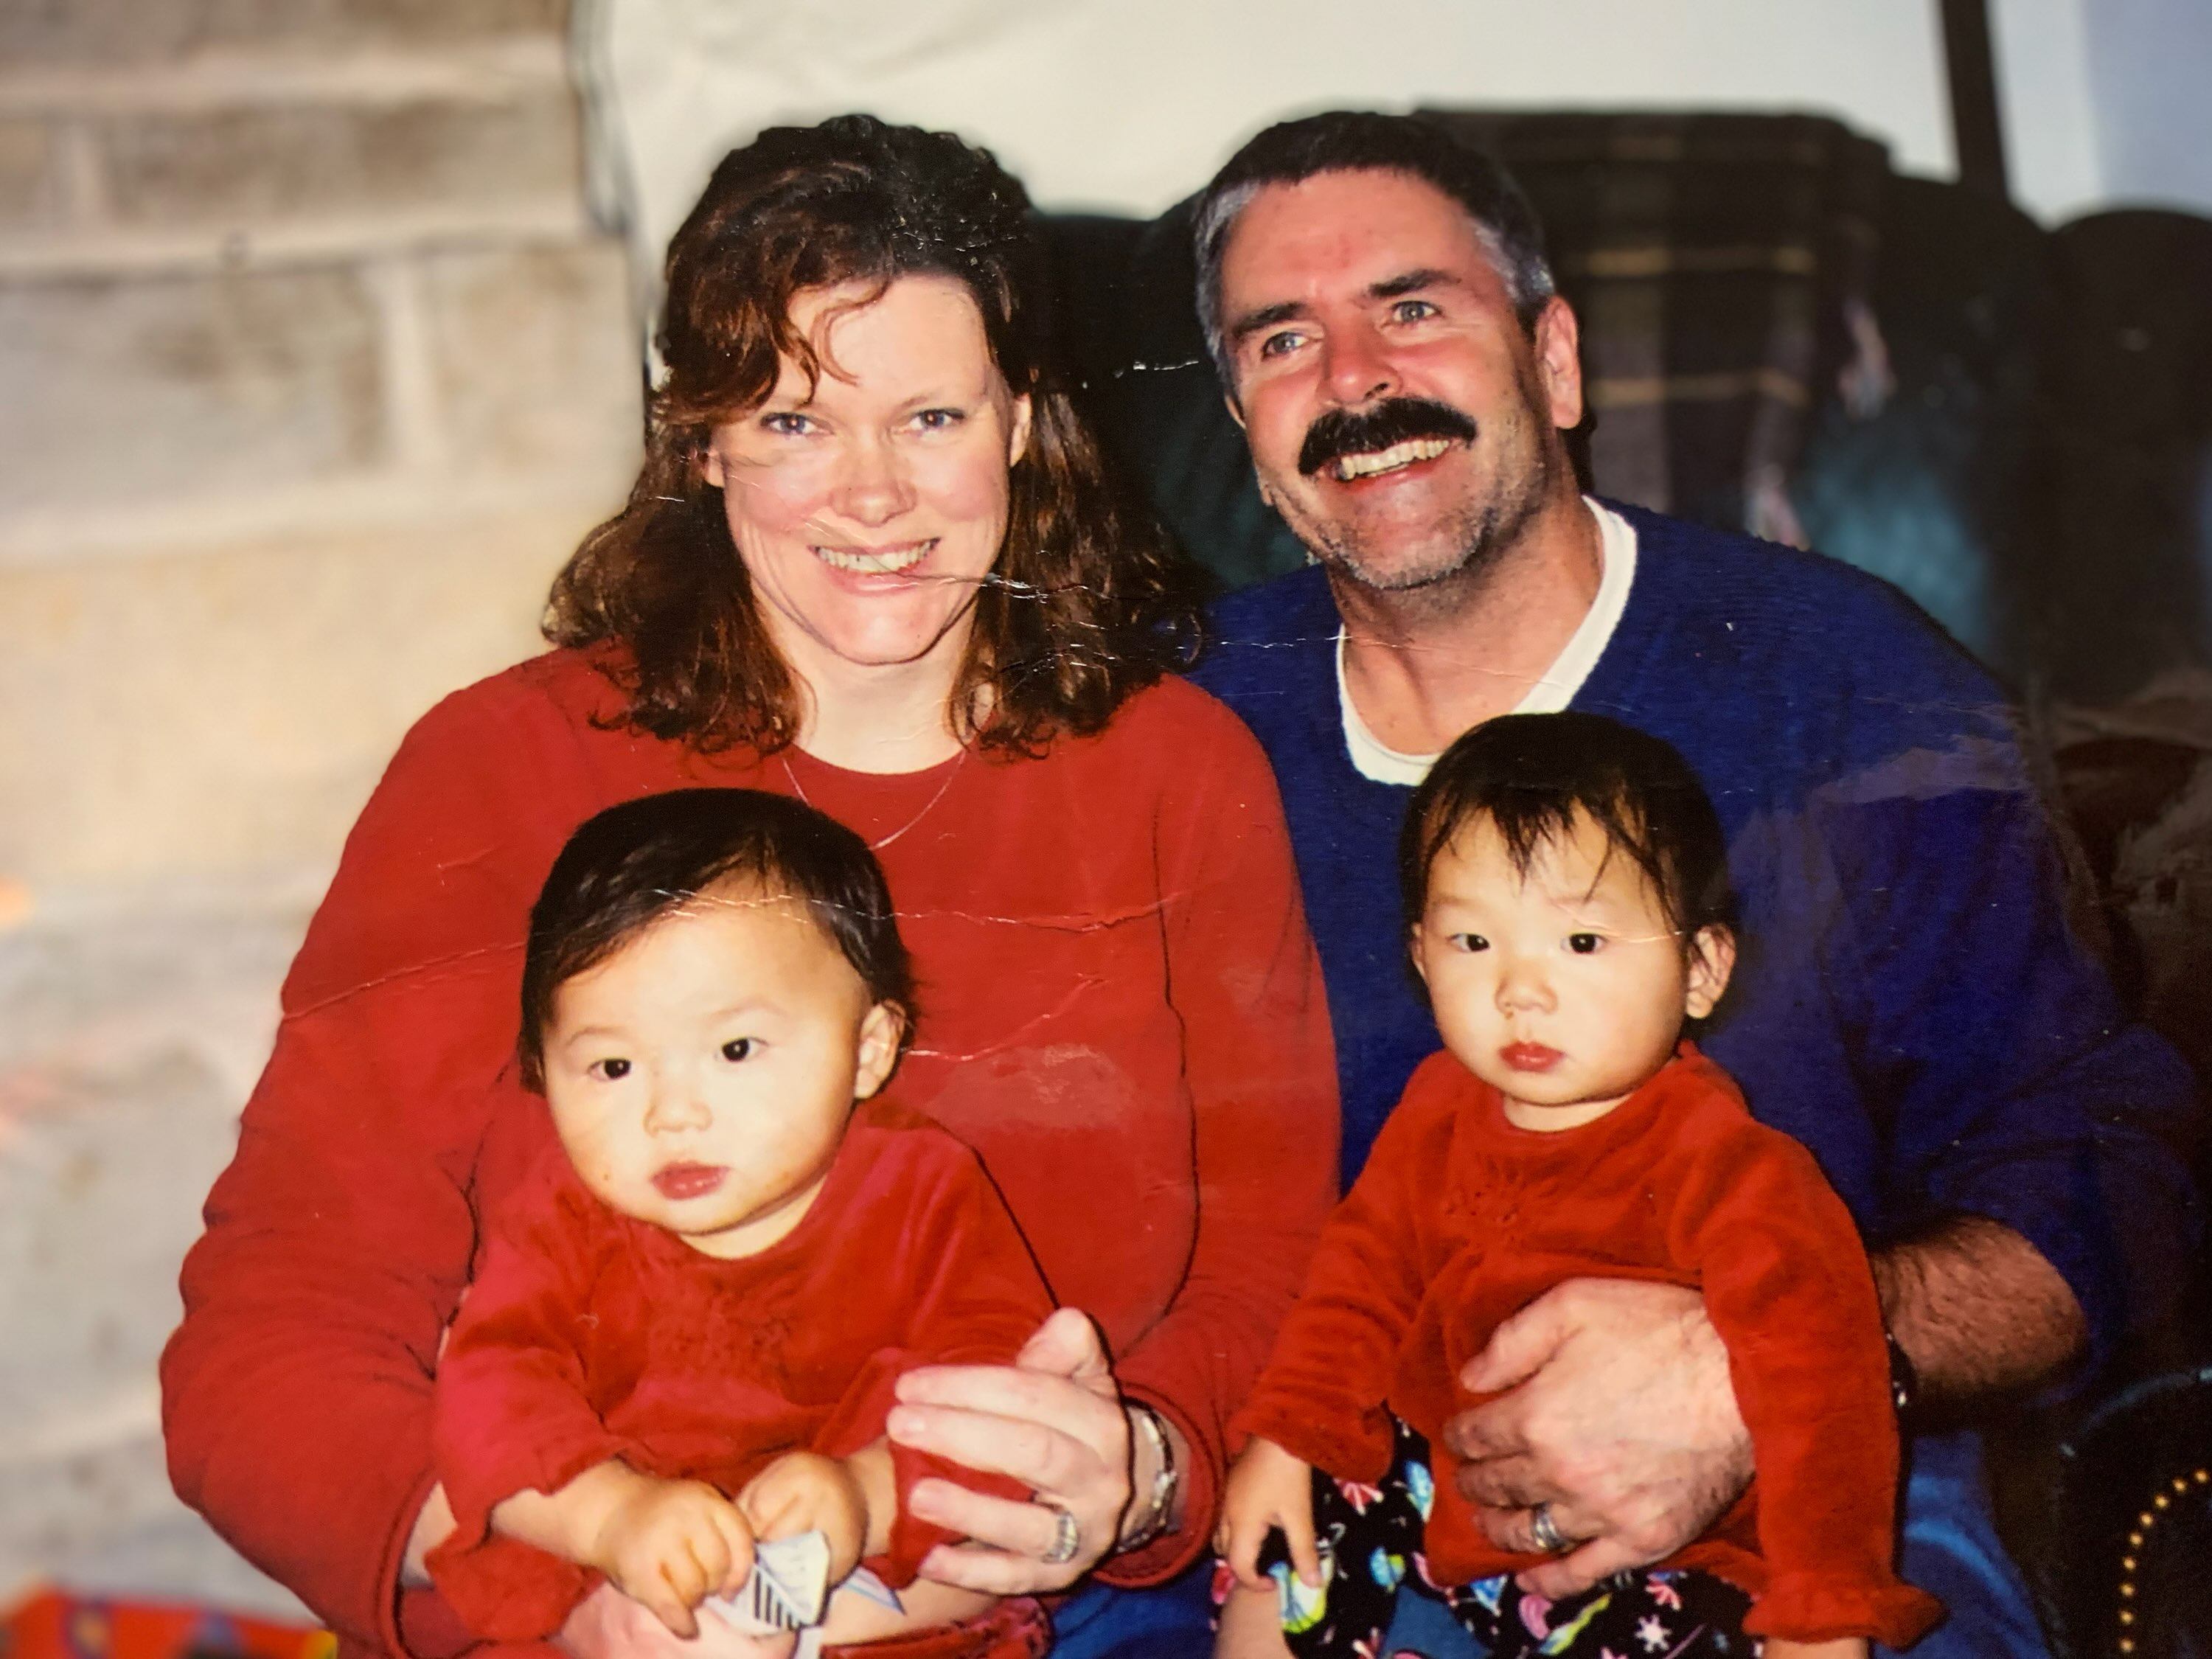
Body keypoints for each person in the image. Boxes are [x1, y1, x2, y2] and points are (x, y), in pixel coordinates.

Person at [161, 114, 1337, 1659]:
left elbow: (1281, 1256)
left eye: (930, 418)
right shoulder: (505, 770)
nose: (870, 497)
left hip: (1091, 1611)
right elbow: (275, 1328)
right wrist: (564, 1605)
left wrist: (1148, 1465)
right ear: (699, 441)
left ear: (1026, 426)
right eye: (791, 423)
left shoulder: (1175, 772)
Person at [1180, 111, 2199, 1659]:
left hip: (1822, 1471)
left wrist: (1762, 1362)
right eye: (1279, 341)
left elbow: (2111, 1171)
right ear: (1244, 432)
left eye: (1412, 307)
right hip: (1379, 1488)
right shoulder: (1184, 733)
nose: (1353, 382)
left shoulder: (1851, 692)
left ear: (1559, 363)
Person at [1213, 714, 1940, 1659]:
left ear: (1703, 968)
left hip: (1663, 1550)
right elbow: (1361, 1275)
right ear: (1421, 953)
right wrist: (1289, 1435)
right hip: (1451, 1487)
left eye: (1584, 943)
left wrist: (1824, 1607)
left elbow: (1826, 1401)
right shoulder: (1437, 1106)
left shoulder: (1735, 1169)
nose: (1522, 990)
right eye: (1474, 942)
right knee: (1281, 1523)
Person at [429, 788, 1056, 1657]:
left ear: (868, 1048)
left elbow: (1000, 1397)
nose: (673, 1114)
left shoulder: (924, 1192)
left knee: (977, 1570)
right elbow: (488, 1402)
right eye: (612, 1065)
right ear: (542, 1068)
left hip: (884, 1601)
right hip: (629, 1598)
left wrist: (866, 1495)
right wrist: (612, 1516)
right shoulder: (560, 1218)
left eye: (735, 1050)